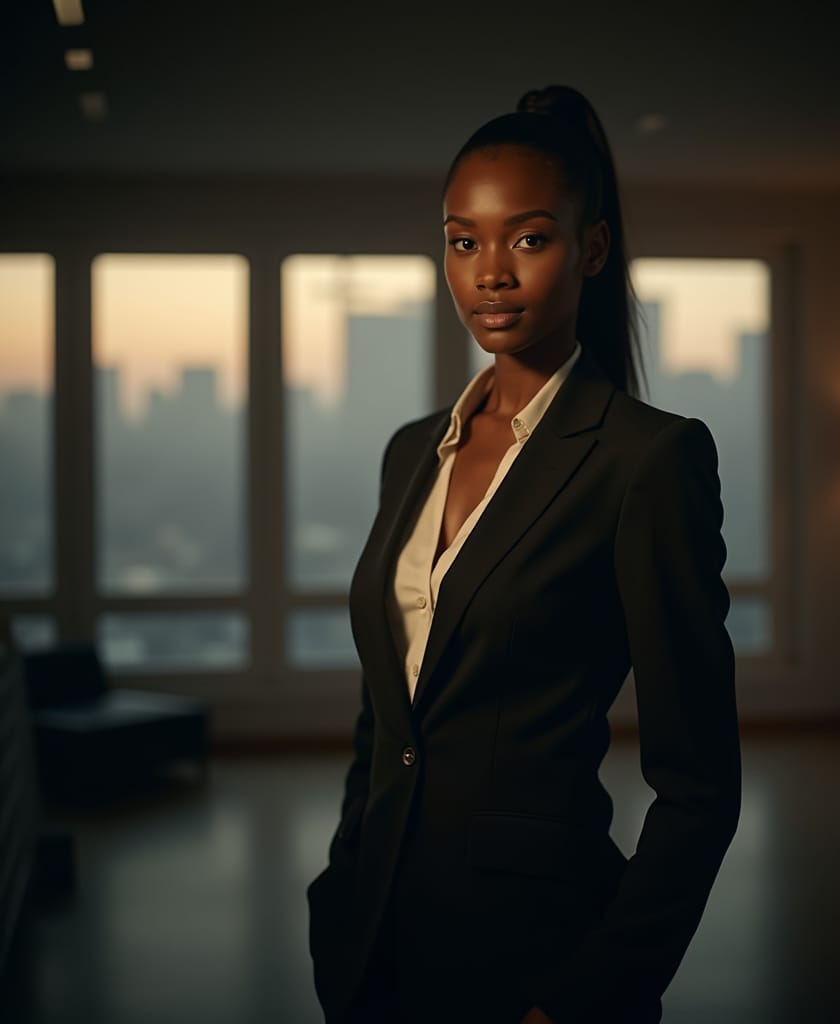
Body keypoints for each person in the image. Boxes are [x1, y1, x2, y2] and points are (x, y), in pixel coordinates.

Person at [307, 84, 742, 1024]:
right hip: (373, 945)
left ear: (590, 250)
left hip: (537, 956)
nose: (489, 273)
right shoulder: (412, 448)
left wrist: (589, 995)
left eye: (528, 239)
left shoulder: (648, 461)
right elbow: (388, 717)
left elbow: (700, 788)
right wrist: (339, 888)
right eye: (464, 241)